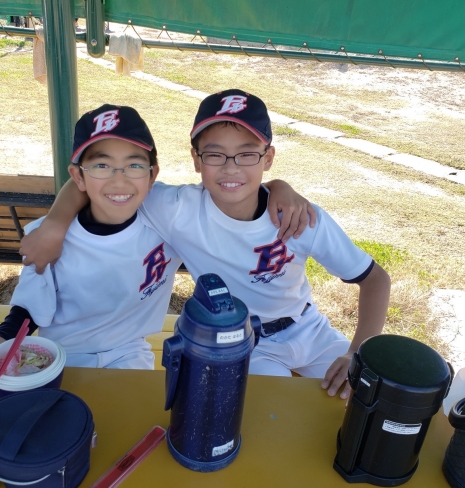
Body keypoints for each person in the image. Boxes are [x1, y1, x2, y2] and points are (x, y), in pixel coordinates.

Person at [21, 90, 391, 399]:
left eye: (247, 154)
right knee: (273, 415)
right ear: (196, 160)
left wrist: (357, 352)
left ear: (268, 158)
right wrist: (54, 224)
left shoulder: (298, 218)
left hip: (307, 326)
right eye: (214, 154)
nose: (231, 168)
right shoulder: (176, 209)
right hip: (244, 341)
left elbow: (376, 280)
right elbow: (99, 180)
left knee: (372, 395)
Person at [0, 104, 309, 371]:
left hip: (130, 353)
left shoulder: (170, 222)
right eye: (101, 165)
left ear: (153, 174)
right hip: (60, 354)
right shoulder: (49, 238)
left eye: (133, 165)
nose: (119, 180)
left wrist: (278, 186)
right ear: (78, 176)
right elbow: (28, 309)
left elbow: (233, 198)